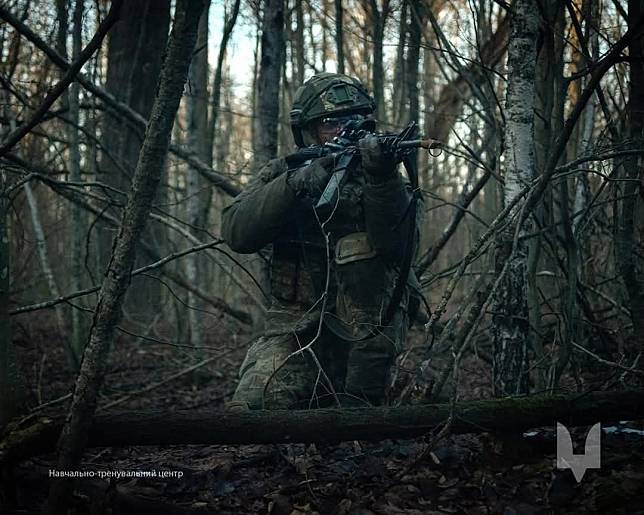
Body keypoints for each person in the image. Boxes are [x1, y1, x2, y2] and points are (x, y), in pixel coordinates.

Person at [222, 72, 422, 410]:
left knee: (356, 415)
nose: (345, 129)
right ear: (309, 131)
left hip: (367, 333)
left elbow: (398, 250)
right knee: (254, 407)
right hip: (297, 325)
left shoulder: (387, 179)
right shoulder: (285, 171)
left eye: (355, 120)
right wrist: (297, 183)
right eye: (331, 122)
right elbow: (237, 232)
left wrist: (382, 179)